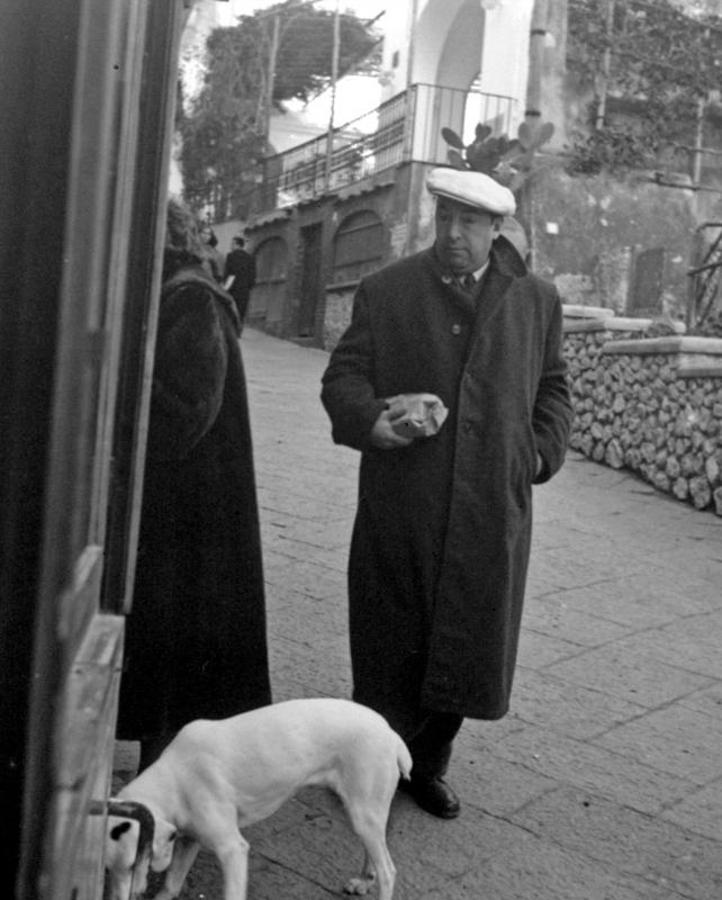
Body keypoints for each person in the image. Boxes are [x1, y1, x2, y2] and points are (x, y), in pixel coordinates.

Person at [320, 168, 572, 820]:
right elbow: (343, 378)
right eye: (446, 217)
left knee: (465, 640)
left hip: (489, 506)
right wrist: (370, 420)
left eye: (470, 221)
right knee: (390, 639)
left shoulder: (536, 300)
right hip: (404, 503)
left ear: (496, 228)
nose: (454, 233)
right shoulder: (388, 291)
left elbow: (553, 388)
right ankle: (370, 764)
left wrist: (537, 454)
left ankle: (428, 764)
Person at [117, 198, 272, 770]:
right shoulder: (179, 290)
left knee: (175, 656)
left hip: (192, 509)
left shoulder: (191, 298)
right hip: (186, 503)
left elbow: (184, 411)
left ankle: (167, 781)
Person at [223, 235, 256, 328]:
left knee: (229, 311)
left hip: (232, 288)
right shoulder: (250, 258)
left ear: (236, 245)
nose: (230, 246)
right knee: (240, 312)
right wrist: (248, 287)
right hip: (244, 290)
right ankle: (238, 329)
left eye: (232, 244)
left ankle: (229, 329)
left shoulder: (231, 256)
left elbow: (228, 273)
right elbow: (253, 276)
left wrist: (225, 287)